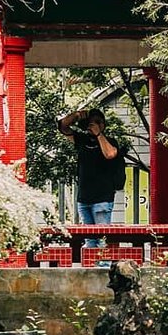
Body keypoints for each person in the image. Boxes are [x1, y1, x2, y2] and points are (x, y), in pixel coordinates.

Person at [57, 106, 124, 249]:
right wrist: (76, 115)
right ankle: (91, 268)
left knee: (102, 239)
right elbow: (63, 127)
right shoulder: (82, 140)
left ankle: (104, 268)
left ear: (102, 124)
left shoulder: (111, 141)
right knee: (89, 240)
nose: (92, 126)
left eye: (96, 122)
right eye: (90, 123)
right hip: (84, 199)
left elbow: (110, 154)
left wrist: (99, 135)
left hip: (102, 199)